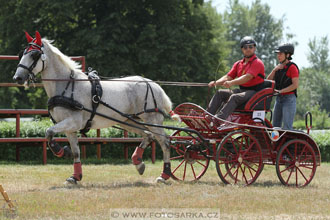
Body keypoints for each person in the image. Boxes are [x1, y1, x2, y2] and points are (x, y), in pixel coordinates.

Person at [207, 36, 265, 121]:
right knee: (220, 93)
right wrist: (216, 83)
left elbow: (247, 77)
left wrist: (231, 83)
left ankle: (218, 120)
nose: (248, 49)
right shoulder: (238, 64)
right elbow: (228, 77)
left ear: (254, 48)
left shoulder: (257, 62)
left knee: (235, 97)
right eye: (245, 47)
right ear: (242, 49)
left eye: (250, 47)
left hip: (255, 92)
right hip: (242, 90)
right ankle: (207, 117)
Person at [267, 43, 299, 130]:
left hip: (289, 99)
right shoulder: (278, 68)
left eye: (280, 54)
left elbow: (295, 85)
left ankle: (288, 143)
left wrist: (280, 91)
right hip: (279, 99)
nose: (278, 56)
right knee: (275, 127)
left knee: (287, 128)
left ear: (288, 55)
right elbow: (267, 81)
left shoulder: (292, 67)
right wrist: (274, 70)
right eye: (278, 54)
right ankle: (276, 143)